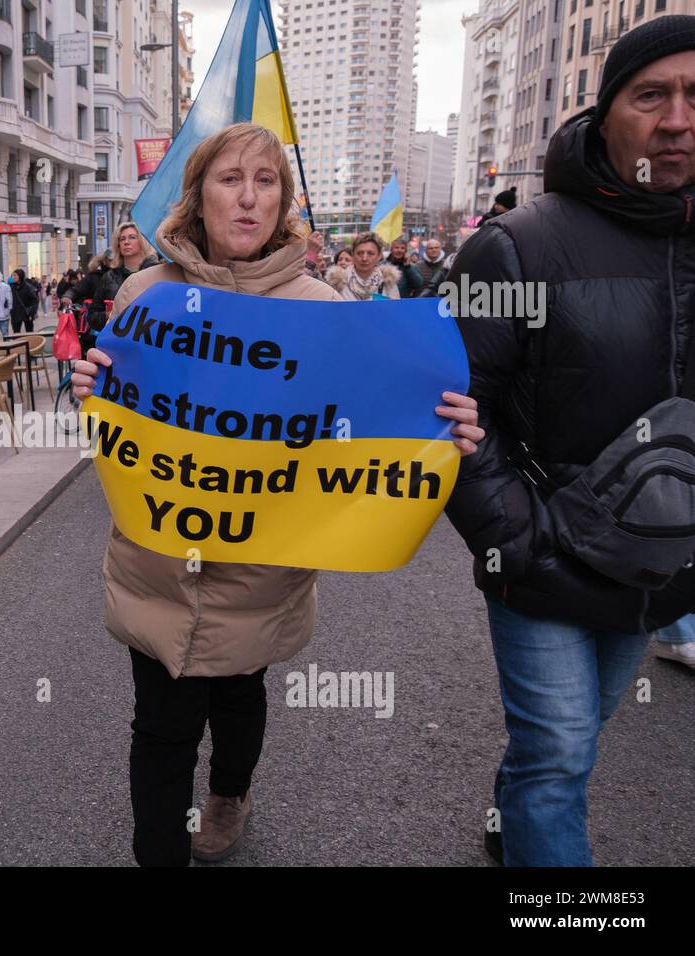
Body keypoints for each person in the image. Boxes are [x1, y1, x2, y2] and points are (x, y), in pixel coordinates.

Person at [69, 122, 483, 867]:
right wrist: (90, 392)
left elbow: (367, 418)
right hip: (158, 566)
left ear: (284, 201)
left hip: (262, 576)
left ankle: (230, 792)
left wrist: (439, 425)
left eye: (266, 182)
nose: (249, 198)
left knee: (237, 702)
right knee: (159, 729)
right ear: (198, 195)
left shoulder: (322, 306)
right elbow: (119, 427)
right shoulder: (143, 296)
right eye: (231, 179)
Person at [444, 17, 695, 867]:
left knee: (570, 736)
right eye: (651, 94)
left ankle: (514, 817)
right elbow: (451, 413)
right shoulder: (515, 248)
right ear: (606, 110)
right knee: (559, 755)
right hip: (544, 560)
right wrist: (517, 541)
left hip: (665, 564)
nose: (677, 118)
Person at [62, 222, 159, 353]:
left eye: (132, 237)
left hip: (148, 345)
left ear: (142, 241)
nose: (126, 242)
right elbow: (92, 316)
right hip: (116, 346)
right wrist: (108, 315)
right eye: (122, 238)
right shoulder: (109, 277)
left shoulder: (155, 272)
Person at [324, 232, 400, 299]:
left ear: (379, 256)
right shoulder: (338, 282)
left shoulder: (388, 282)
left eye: (370, 253)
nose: (364, 258)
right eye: (359, 253)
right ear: (353, 255)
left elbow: (395, 311)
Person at [9, 267, 37, 334]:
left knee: (29, 332)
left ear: (20, 276)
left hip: (27, 313)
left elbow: (35, 300)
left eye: (15, 275)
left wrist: (32, 313)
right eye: (12, 275)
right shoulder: (11, 287)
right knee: (16, 334)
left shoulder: (28, 287)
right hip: (15, 314)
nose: (13, 277)